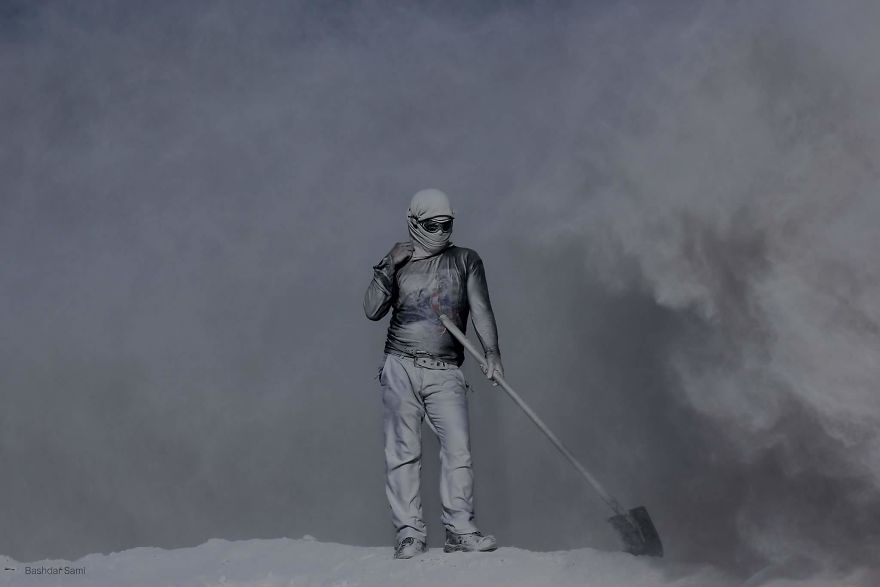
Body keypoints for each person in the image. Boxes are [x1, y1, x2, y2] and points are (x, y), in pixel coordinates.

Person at [364, 188, 505, 559]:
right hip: (400, 365)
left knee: (458, 449)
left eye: (447, 224)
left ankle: (460, 529)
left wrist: (492, 353)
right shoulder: (399, 261)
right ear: (414, 223)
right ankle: (409, 533)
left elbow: (481, 309)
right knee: (402, 452)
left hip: (445, 370)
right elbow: (371, 309)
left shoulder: (465, 260)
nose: (441, 231)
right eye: (433, 225)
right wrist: (387, 264)